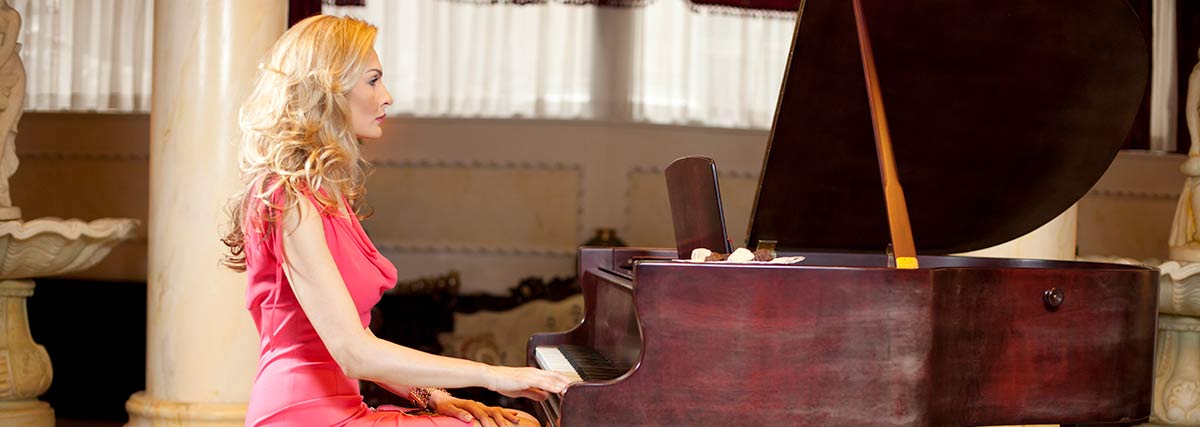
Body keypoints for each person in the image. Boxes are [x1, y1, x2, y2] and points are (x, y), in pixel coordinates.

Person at [221, 14, 571, 427]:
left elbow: (359, 340)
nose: (386, 97)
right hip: (300, 416)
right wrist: (492, 375)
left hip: (342, 410)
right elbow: (353, 353)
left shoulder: (324, 193)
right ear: (327, 89)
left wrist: (434, 397)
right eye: (373, 81)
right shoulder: (289, 198)